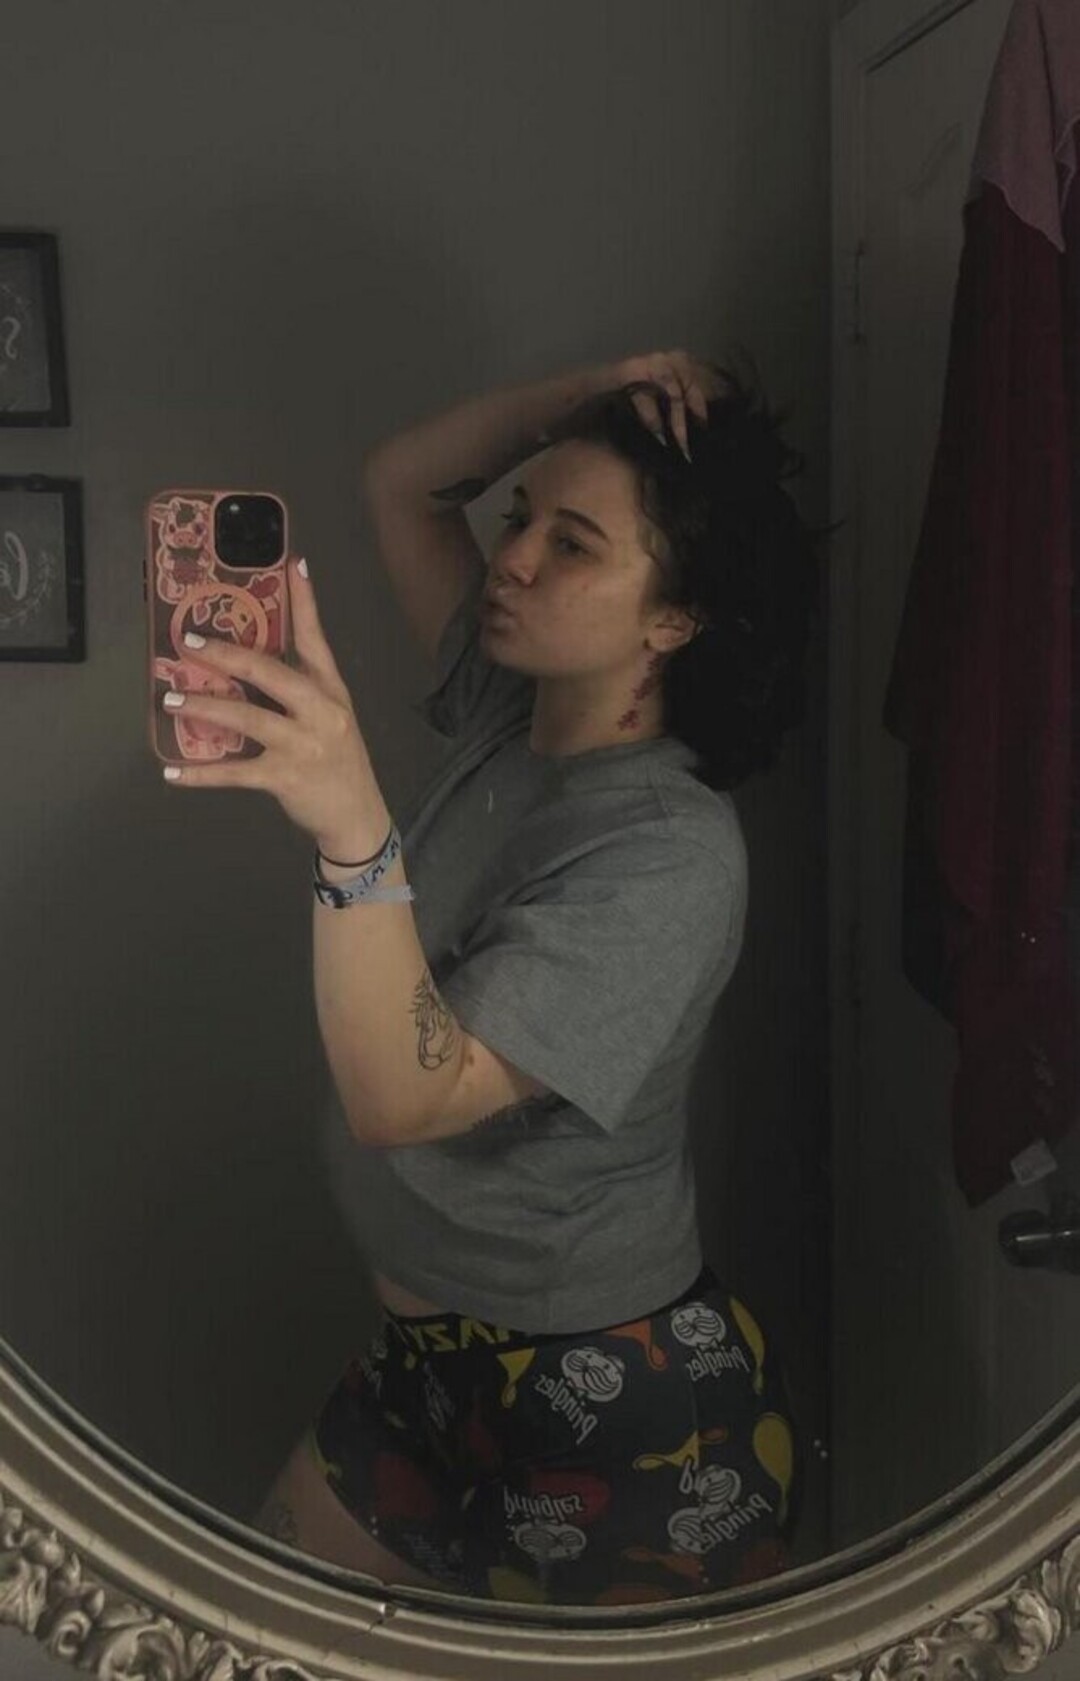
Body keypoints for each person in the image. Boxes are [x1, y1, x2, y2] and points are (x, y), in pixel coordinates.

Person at [164, 349, 828, 1605]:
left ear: (675, 617)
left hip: (623, 1415)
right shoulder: (503, 713)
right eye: (521, 517)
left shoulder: (673, 853)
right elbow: (402, 483)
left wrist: (349, 821)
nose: (511, 558)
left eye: (573, 545)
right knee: (237, 1641)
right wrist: (587, 399)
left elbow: (406, 1096)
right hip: (424, 1373)